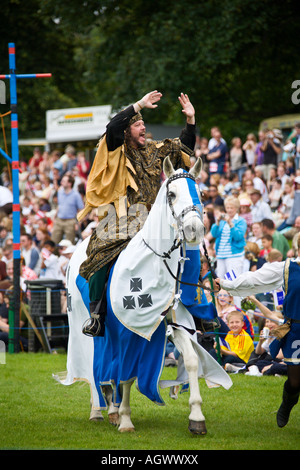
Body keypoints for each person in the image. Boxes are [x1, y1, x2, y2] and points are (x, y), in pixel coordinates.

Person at [78, 90, 210, 337]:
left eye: (143, 123)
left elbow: (183, 150)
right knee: (100, 251)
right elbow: (112, 127)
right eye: (137, 124)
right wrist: (138, 104)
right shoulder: (116, 147)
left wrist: (190, 121)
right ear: (127, 131)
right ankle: (96, 315)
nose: (142, 127)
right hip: (120, 217)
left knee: (189, 247)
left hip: (152, 217)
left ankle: (196, 310)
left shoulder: (153, 149)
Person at [215, 233, 300, 427]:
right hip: (296, 330)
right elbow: (256, 278)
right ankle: (287, 403)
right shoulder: (288, 268)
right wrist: (227, 284)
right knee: (295, 382)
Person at [210, 196, 247, 280]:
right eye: (227, 207)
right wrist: (217, 222)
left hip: (234, 255)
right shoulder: (222, 221)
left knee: (233, 280)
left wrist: (231, 224)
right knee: (220, 280)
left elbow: (238, 237)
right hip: (220, 254)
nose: (229, 210)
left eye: (232, 208)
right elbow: (214, 234)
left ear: (237, 209)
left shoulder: (241, 221)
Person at [51, 174, 84, 244]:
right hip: (59, 220)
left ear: (69, 183)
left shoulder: (76, 195)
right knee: (54, 241)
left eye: (63, 181)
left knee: (69, 243)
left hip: (70, 221)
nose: (61, 182)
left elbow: (81, 210)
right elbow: (60, 205)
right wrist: (55, 217)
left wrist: (78, 223)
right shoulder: (60, 192)